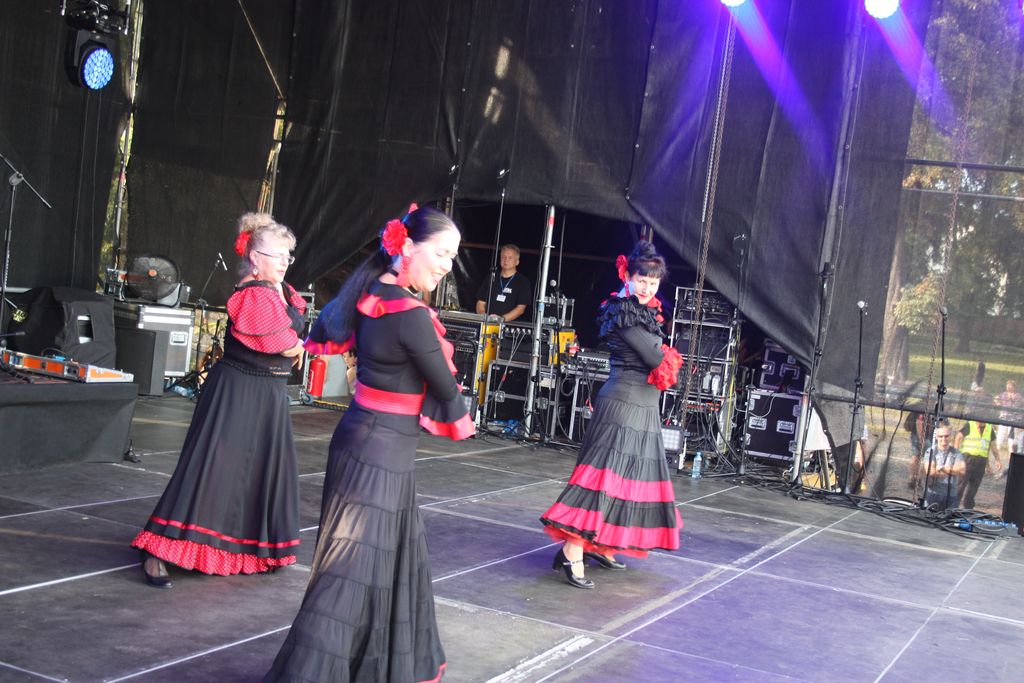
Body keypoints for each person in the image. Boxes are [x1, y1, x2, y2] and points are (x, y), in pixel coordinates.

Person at [265, 204, 474, 683]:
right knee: (350, 573)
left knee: (370, 564)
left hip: (365, 440)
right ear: (408, 247)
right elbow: (446, 389)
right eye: (442, 254)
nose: (447, 266)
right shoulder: (410, 313)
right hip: (381, 451)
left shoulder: (371, 293)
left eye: (452, 257)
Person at [132, 213, 306, 588]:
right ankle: (159, 548)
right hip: (239, 392)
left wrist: (297, 344)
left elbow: (292, 335)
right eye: (277, 255)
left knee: (254, 472)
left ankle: (237, 551)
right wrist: (297, 346)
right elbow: (282, 343)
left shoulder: (281, 290)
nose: (284, 262)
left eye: (287, 256)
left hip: (268, 395)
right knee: (212, 470)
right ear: (255, 257)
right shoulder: (255, 293)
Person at [539, 241, 683, 589]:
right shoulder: (623, 311)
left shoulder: (642, 311)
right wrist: (666, 355)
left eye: (653, 283)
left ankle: (601, 544)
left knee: (629, 479)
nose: (647, 288)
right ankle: (573, 550)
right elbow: (655, 358)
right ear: (628, 277)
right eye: (641, 280)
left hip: (641, 407)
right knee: (604, 479)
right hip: (623, 405)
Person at [475, 243, 531, 322]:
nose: (506, 260)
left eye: (510, 258)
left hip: (509, 325)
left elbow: (520, 309)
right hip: (487, 324)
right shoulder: (491, 277)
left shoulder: (523, 282)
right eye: (503, 257)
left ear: (517, 262)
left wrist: (501, 319)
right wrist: (484, 316)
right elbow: (480, 302)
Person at [955, 415, 1000, 510]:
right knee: (961, 485)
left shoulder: (989, 428)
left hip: (981, 461)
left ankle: (968, 508)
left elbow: (993, 446)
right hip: (968, 459)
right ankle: (953, 505)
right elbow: (958, 437)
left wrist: (997, 459)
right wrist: (956, 455)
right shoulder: (970, 425)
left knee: (974, 486)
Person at [921, 425, 966, 510]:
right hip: (932, 494)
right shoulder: (930, 451)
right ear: (936, 437)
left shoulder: (957, 453)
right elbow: (930, 472)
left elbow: (960, 470)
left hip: (951, 496)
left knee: (950, 517)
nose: (943, 439)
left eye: (946, 436)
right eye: (941, 436)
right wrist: (951, 470)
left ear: (950, 437)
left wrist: (941, 468)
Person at [994, 379, 1023, 474]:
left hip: (1012, 421)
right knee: (999, 439)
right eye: (1008, 385)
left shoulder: (1018, 396)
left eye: (1010, 385)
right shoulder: (1003, 394)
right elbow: (996, 398)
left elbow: (1020, 403)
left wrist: (1013, 400)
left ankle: (1011, 460)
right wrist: (998, 402)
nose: (1009, 387)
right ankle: (997, 459)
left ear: (1014, 387)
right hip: (1003, 418)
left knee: (1011, 442)